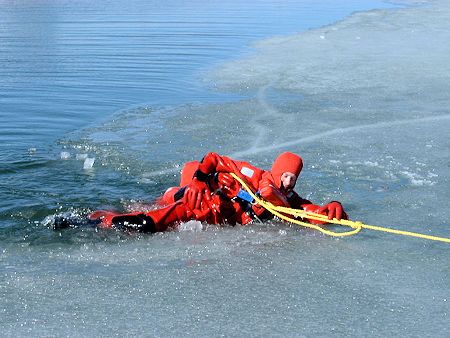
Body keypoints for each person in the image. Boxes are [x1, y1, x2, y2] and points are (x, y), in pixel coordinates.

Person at [89, 151, 347, 232]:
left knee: (149, 219)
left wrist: (334, 207)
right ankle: (99, 219)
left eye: (294, 178)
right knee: (149, 218)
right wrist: (200, 181)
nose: (289, 182)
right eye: (287, 176)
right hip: (198, 201)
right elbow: (214, 158)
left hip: (213, 217)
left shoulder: (290, 203)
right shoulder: (253, 176)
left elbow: (313, 213)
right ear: (278, 171)